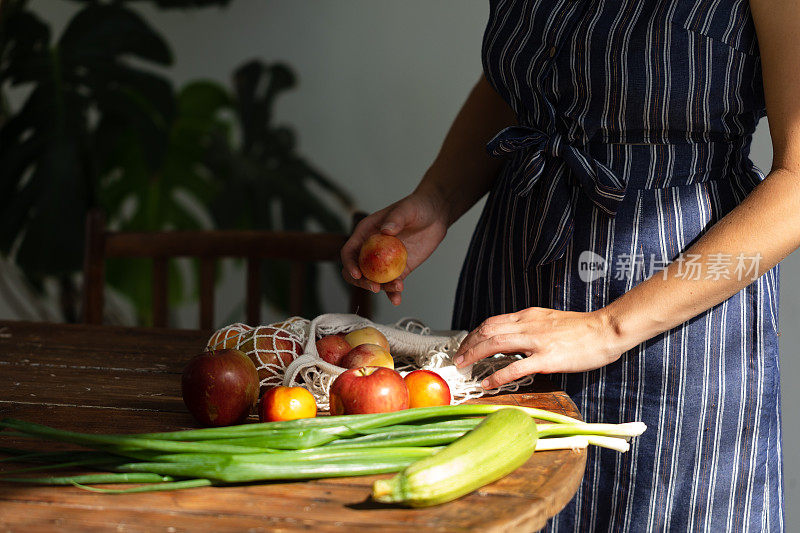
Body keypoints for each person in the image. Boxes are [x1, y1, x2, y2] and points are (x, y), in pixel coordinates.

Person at [341, 1, 795, 530]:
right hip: (514, 265)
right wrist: (439, 198)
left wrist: (608, 326)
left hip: (674, 307)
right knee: (501, 506)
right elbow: (523, 83)